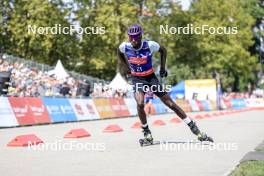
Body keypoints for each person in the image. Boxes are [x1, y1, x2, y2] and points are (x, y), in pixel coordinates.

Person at [117, 24, 213, 143]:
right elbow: (119, 53)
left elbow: (163, 50)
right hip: (137, 79)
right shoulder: (124, 47)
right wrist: (126, 68)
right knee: (140, 103)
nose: (133, 40)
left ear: (141, 36)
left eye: (135, 37)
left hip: (151, 78)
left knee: (171, 104)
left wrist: (162, 68)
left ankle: (196, 130)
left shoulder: (150, 45)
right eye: (130, 37)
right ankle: (147, 132)